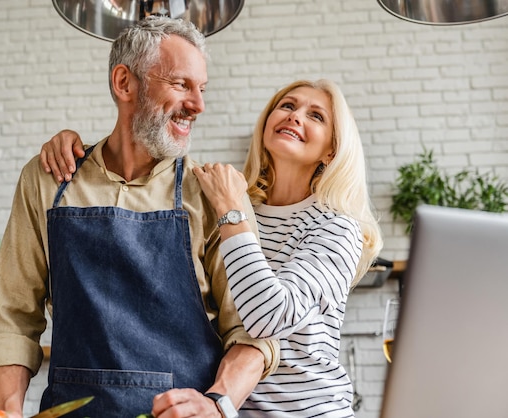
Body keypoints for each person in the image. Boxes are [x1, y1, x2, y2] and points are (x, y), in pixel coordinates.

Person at [0, 16, 279, 418]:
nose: (198, 105)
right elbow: (14, 320)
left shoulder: (213, 194)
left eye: (202, 88)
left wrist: (217, 405)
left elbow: (253, 332)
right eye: (181, 84)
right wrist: (6, 412)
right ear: (125, 83)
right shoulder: (50, 178)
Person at [41, 78, 384, 417]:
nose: (296, 116)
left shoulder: (336, 227)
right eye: (288, 106)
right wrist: (79, 151)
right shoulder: (236, 203)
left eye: (316, 116)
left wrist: (230, 212)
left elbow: (270, 319)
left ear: (331, 149)